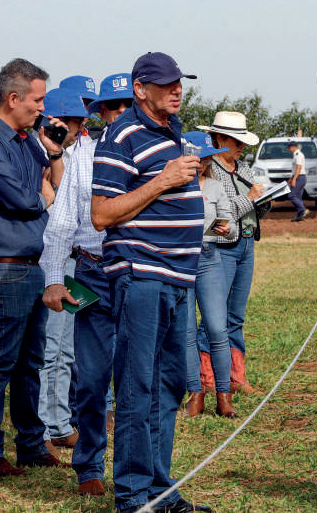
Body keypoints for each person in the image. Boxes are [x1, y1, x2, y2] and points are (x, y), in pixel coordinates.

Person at [90, 52, 211, 513]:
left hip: (177, 278)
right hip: (142, 274)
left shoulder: (171, 131)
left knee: (168, 385)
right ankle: (132, 497)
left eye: (179, 82)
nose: (177, 90)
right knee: (138, 385)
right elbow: (102, 214)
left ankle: (158, 491)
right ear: (140, 89)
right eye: (165, 84)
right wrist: (162, 181)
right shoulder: (121, 136)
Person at [0, 58, 66, 478]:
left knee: (31, 362)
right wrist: (44, 194)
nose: (42, 107)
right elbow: (25, 200)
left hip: (34, 265)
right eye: (37, 99)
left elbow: (53, 184)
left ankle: (30, 444)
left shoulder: (28, 141)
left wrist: (53, 153)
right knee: (0, 362)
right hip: (6, 269)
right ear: (13, 98)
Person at [40, 72, 133, 497]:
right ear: (99, 112)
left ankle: (133, 473)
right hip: (94, 272)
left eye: (127, 105)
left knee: (137, 379)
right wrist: (54, 280)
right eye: (112, 106)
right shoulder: (82, 156)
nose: (119, 113)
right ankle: (90, 466)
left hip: (139, 275)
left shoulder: (155, 156)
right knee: (92, 378)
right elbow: (62, 223)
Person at [34, 86, 89, 456]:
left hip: (74, 256)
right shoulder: (38, 153)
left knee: (65, 348)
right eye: (70, 121)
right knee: (50, 347)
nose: (77, 128)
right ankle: (45, 426)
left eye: (80, 121)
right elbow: (51, 203)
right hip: (50, 258)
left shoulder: (76, 152)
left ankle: (59, 422)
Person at [198, 111, 265, 396]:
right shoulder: (209, 170)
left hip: (246, 243)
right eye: (237, 141)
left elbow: (252, 207)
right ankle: (207, 380)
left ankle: (236, 377)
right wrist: (249, 199)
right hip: (221, 248)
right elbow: (218, 214)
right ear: (220, 138)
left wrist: (263, 201)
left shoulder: (243, 168)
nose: (242, 146)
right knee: (214, 317)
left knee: (235, 315)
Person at [180, 131, 238, 419]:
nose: (202, 163)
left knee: (217, 328)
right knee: (187, 331)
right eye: (198, 158)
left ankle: (224, 396)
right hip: (181, 260)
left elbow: (232, 226)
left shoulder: (215, 187)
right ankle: (195, 394)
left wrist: (227, 229)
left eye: (206, 159)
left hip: (209, 257)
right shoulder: (173, 185)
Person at [287, 140, 307, 222]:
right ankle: (300, 216)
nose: (289, 150)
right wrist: (291, 178)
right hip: (299, 177)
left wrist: (294, 179)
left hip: (300, 177)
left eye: (289, 148)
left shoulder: (298, 155)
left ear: (293, 147)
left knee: (291, 196)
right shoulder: (296, 155)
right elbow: (295, 169)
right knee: (298, 197)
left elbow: (299, 168)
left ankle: (303, 209)